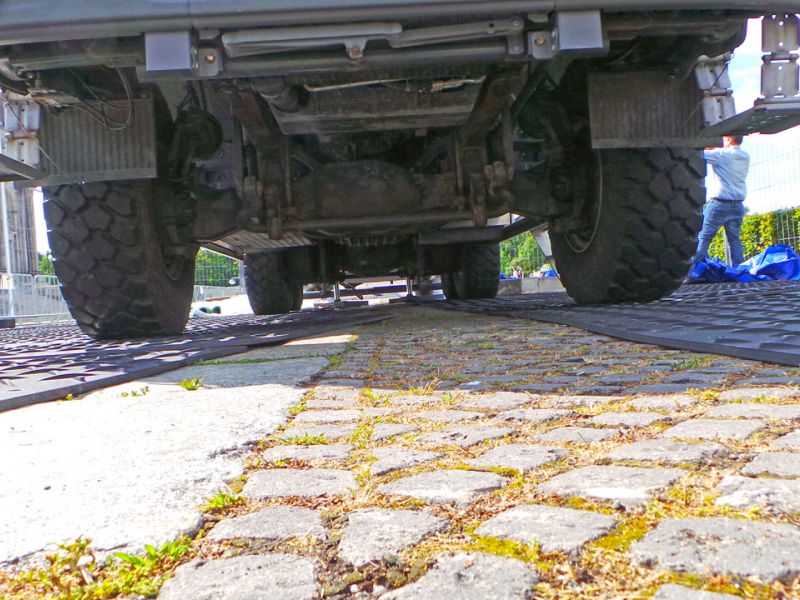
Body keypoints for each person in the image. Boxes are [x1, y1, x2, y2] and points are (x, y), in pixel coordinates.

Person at [689, 135, 750, 272]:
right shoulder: (745, 156)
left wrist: (708, 146)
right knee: (734, 240)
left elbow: (699, 154)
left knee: (704, 237)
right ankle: (739, 271)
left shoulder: (723, 154)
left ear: (729, 140)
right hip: (738, 205)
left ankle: (693, 272)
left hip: (720, 205)